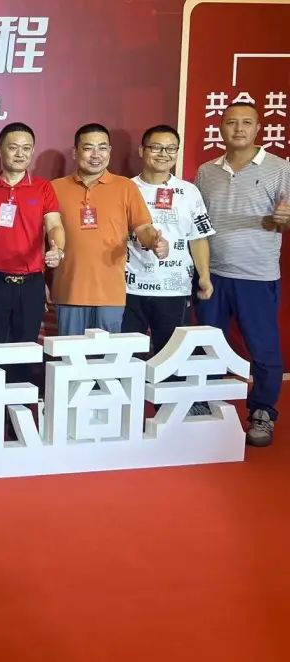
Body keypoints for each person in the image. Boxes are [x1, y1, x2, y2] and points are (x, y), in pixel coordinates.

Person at [195, 101, 290, 446]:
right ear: (220, 128)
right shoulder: (207, 171)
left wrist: (285, 220)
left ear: (258, 128)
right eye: (232, 122)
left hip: (257, 276)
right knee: (208, 345)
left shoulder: (280, 168)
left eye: (247, 123)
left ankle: (263, 412)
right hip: (211, 274)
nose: (239, 129)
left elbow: (287, 218)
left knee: (263, 349)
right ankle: (206, 403)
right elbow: (197, 223)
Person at [51, 123, 167, 335]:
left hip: (110, 294)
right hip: (69, 290)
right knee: (69, 354)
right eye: (88, 148)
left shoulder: (125, 187)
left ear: (110, 151)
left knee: (107, 354)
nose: (96, 155)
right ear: (75, 152)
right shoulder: (54, 188)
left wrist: (154, 241)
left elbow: (143, 226)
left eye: (102, 148)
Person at [0, 122, 64, 361]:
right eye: (13, 147)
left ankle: (20, 387)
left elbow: (54, 225)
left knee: (25, 353)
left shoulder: (43, 188)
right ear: (0, 149)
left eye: (26, 148)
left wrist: (58, 248)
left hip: (31, 284)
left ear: (33, 150)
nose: (20, 154)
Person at [123, 126, 214, 360]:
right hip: (128, 289)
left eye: (171, 148)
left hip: (174, 288)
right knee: (128, 359)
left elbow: (198, 238)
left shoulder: (188, 191)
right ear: (142, 150)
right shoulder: (124, 189)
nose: (164, 154)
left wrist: (204, 277)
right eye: (156, 147)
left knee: (171, 359)